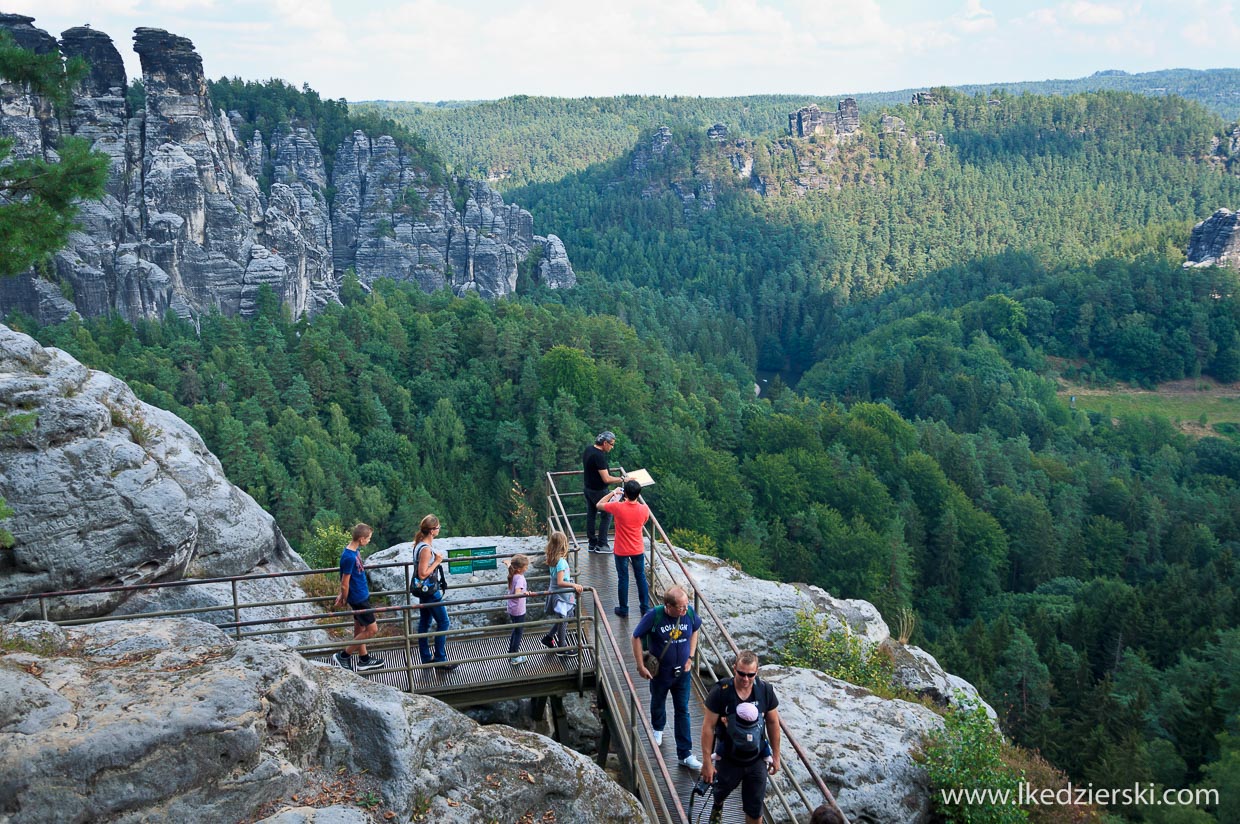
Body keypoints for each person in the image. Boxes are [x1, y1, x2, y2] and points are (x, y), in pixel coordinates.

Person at [700, 651, 782, 824]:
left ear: (757, 672)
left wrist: (776, 755)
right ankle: (718, 805)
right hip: (729, 758)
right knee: (721, 791)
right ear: (734, 668)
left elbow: (773, 722)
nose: (745, 679)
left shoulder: (765, 691)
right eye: (741, 673)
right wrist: (707, 762)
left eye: (750, 675)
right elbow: (708, 727)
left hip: (756, 758)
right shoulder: (721, 692)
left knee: (755, 809)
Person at [632, 586, 703, 770]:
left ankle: (685, 754)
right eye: (680, 607)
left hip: (683, 673)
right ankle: (658, 727)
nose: (684, 609)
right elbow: (636, 636)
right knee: (658, 700)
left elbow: (695, 629)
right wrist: (640, 665)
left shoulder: (688, 613)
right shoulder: (654, 616)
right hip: (661, 671)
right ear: (668, 606)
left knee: (682, 710)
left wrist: (691, 658)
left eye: (686, 605)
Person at [333, 523, 384, 672]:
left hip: (361, 595)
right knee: (372, 629)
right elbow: (344, 582)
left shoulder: (354, 551)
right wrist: (344, 597)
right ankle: (344, 655)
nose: (369, 541)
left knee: (359, 628)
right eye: (368, 538)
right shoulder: (349, 556)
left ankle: (364, 659)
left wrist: (344, 594)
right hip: (358, 599)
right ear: (361, 539)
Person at [599, 478, 651, 617]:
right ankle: (645, 608)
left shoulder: (618, 507)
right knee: (640, 577)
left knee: (623, 578)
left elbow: (599, 504)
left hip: (621, 549)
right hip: (637, 548)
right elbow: (643, 522)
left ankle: (623, 609)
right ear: (638, 494)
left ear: (625, 494)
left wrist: (612, 493)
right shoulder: (644, 509)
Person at [412, 515, 456, 673]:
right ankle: (440, 659)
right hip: (430, 591)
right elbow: (422, 574)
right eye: (438, 527)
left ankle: (426, 657)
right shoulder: (425, 549)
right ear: (432, 531)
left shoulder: (418, 545)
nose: (439, 529)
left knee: (424, 622)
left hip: (423, 592)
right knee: (444, 622)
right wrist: (437, 561)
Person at [540, 531, 584, 656]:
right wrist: (574, 585)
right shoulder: (561, 562)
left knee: (564, 618)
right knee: (563, 620)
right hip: (561, 596)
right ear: (563, 545)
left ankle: (548, 638)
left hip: (557, 594)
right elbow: (560, 582)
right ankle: (562, 647)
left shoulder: (552, 559)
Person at [582, 431, 624, 553]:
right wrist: (622, 479)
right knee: (607, 514)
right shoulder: (599, 456)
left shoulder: (588, 449)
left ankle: (592, 543)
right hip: (598, 490)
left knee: (591, 514)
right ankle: (602, 544)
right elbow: (606, 478)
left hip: (588, 488)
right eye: (611, 444)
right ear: (604, 443)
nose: (612, 447)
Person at [505, 553, 531, 665]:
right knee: (518, 632)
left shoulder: (513, 573)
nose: (527, 568)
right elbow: (517, 593)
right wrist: (526, 593)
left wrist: (507, 563)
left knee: (515, 630)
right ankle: (514, 656)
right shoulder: (519, 578)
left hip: (512, 608)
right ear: (520, 569)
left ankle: (511, 652)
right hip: (518, 609)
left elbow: (510, 566)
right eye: (526, 566)